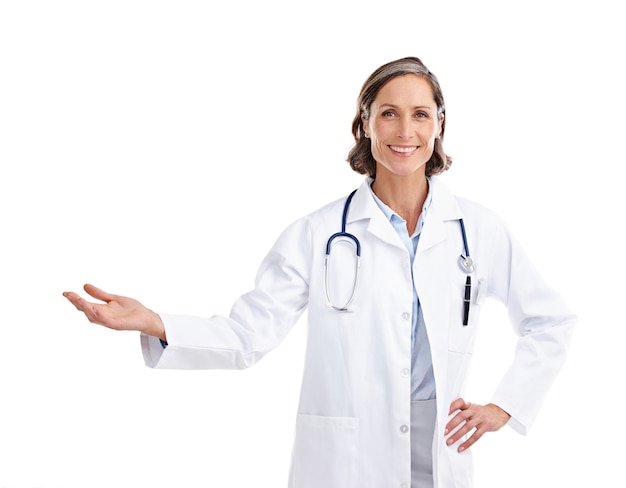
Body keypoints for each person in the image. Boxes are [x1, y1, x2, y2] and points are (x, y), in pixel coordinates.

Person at [63, 56, 575, 488]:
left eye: (420, 114)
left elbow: (550, 321)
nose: (405, 131)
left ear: (439, 124)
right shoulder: (318, 233)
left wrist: (506, 406)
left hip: (441, 451)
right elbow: (247, 335)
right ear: (365, 124)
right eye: (388, 113)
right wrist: (155, 322)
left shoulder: (477, 230)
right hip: (346, 462)